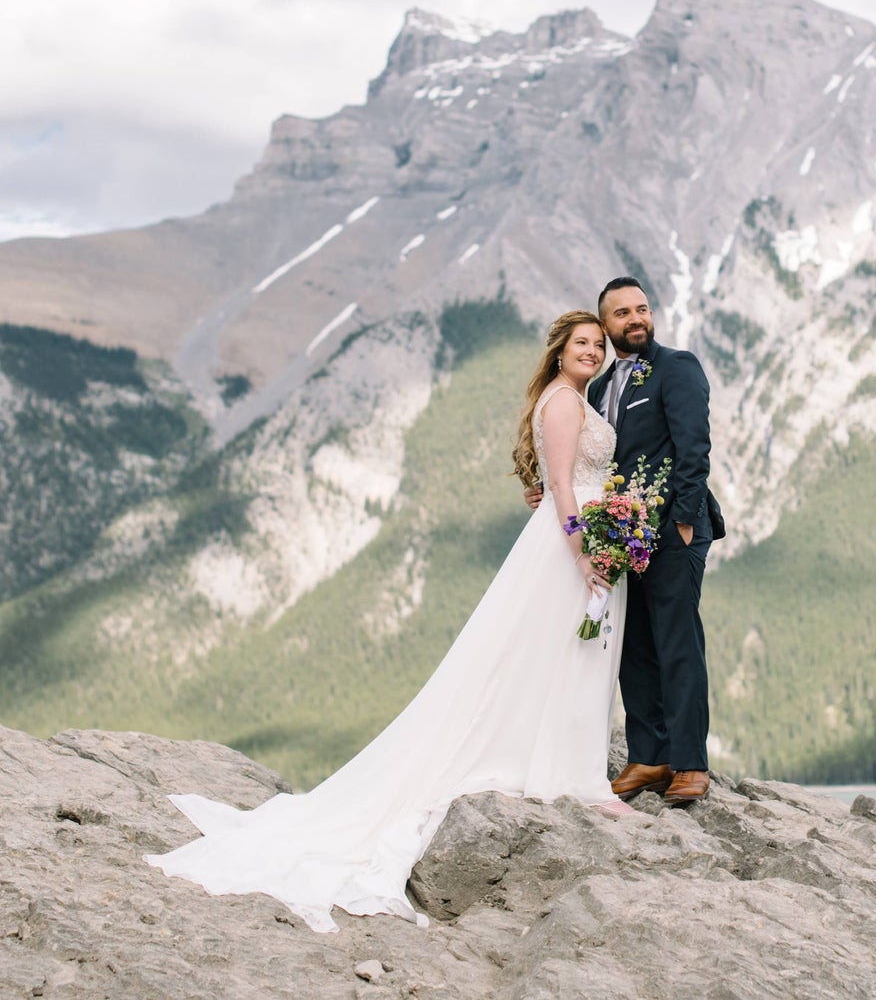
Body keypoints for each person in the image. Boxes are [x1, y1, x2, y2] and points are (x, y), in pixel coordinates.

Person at [146, 310, 633, 935]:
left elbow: (558, 480)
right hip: (570, 544)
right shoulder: (564, 403)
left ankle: (567, 765)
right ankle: (573, 775)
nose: (592, 351)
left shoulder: (569, 398)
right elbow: (562, 483)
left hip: (580, 533)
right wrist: (581, 550)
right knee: (560, 650)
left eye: (598, 344)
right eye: (582, 343)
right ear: (559, 351)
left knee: (559, 651)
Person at [524, 276, 724, 806]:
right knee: (631, 645)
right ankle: (648, 756)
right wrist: (546, 489)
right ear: (607, 325)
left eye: (642, 309)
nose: (636, 319)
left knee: (677, 642)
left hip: (673, 530)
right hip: (622, 536)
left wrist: (683, 522)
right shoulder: (598, 386)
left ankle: (689, 764)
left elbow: (694, 448)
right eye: (622, 313)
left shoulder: (676, 367)